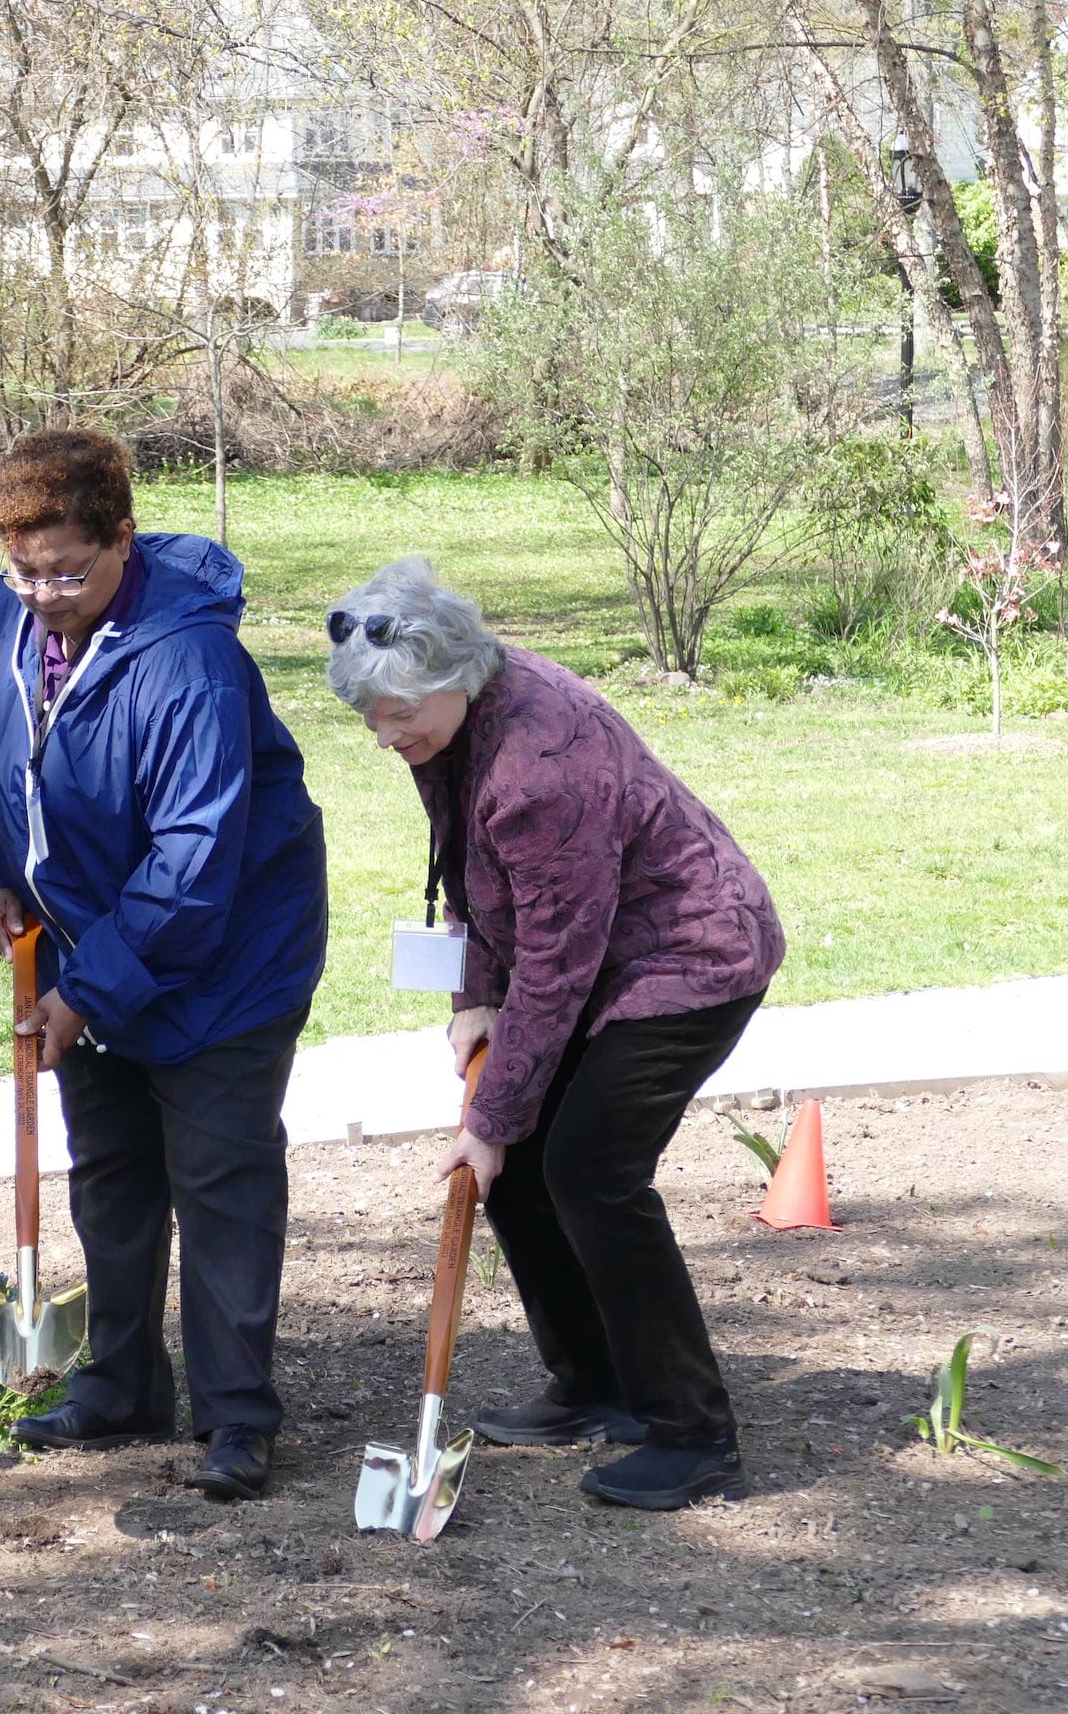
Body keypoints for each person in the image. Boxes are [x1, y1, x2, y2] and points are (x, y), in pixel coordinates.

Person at [325, 555, 785, 1510]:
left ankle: (692, 1433)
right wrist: (472, 994)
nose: (385, 733)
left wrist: (491, 1117)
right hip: (598, 956)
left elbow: (559, 964)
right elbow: (473, 865)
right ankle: (595, 1384)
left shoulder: (543, 765)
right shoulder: (451, 717)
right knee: (529, 1168)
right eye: (371, 715)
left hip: (688, 960)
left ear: (454, 674)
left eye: (400, 711)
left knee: (589, 1171)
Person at [0, 430, 327, 1502]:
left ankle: (238, 1415)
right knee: (110, 1173)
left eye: (69, 569)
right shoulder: (0, 620)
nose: (43, 594)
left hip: (225, 958)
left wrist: (86, 994)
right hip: (84, 939)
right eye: (23, 570)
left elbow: (195, 860)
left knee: (218, 1181)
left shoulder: (188, 660)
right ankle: (120, 1384)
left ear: (123, 539)